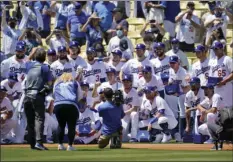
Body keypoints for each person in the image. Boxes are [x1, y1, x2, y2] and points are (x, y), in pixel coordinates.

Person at [23, 48, 53, 150]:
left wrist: (32, 52)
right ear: (44, 57)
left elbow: (27, 60)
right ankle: (39, 142)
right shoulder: (45, 68)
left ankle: (32, 143)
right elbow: (49, 84)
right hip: (37, 95)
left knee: (30, 120)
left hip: (27, 95)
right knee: (39, 119)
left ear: (35, 56)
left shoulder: (29, 65)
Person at [53, 72, 83, 151]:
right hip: (71, 104)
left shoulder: (57, 83)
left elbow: (54, 94)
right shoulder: (74, 82)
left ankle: (60, 145)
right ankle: (70, 145)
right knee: (71, 126)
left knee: (61, 125)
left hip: (58, 104)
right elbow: (80, 96)